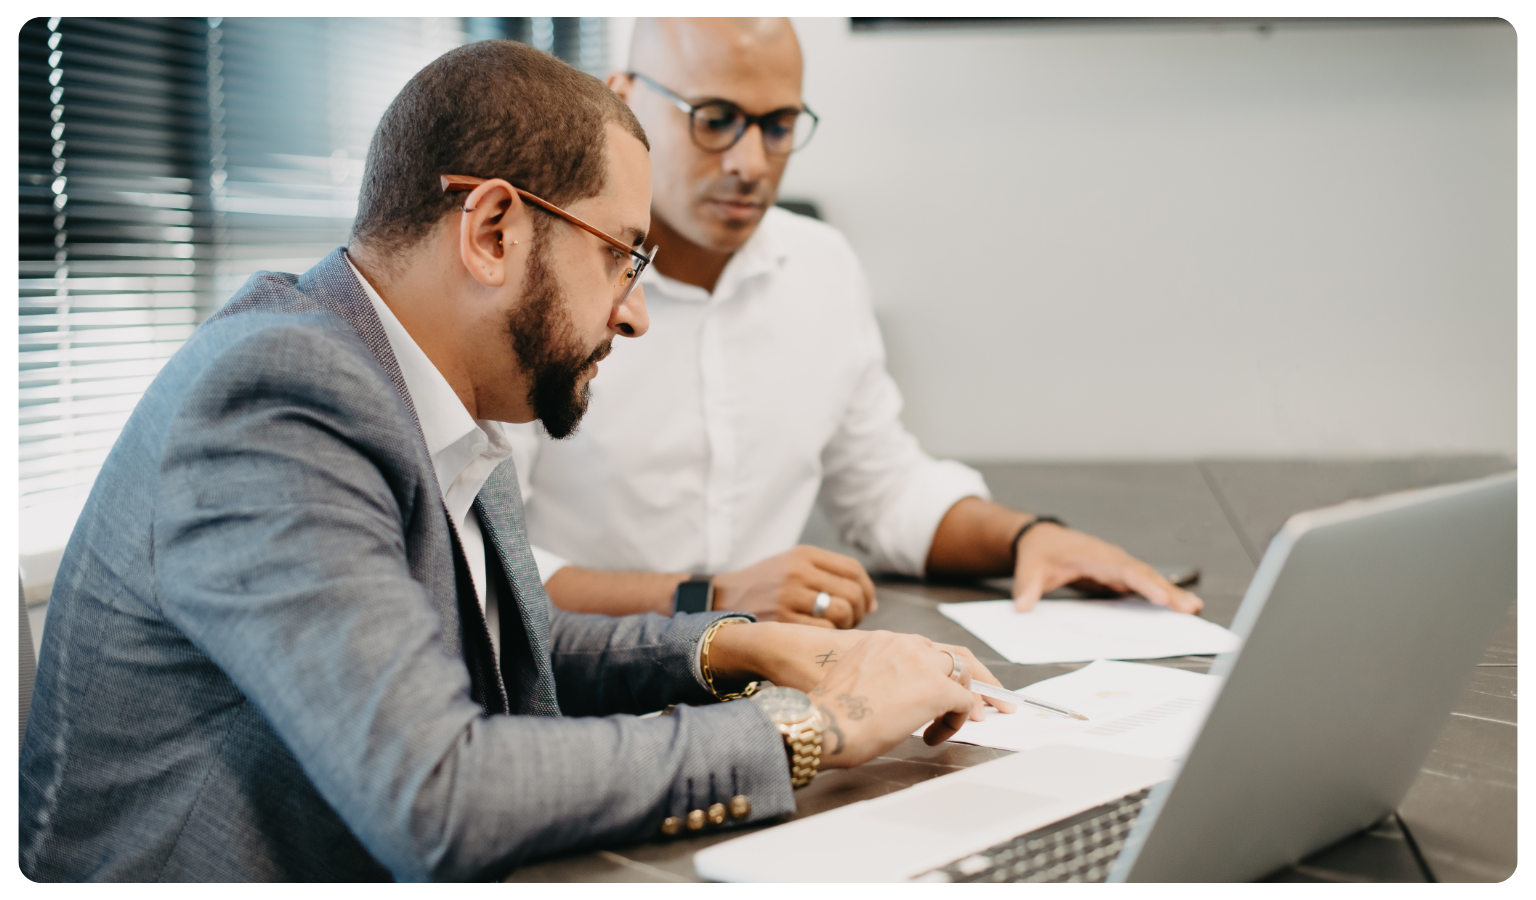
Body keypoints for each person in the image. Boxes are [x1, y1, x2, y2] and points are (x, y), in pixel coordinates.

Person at [17, 41, 1005, 882]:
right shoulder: (280, 398)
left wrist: (737, 648)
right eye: (622, 253)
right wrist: (814, 730)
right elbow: (434, 796)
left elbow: (502, 647)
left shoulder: (422, 390)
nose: (635, 311)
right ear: (491, 230)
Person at [508, 17, 1205, 629]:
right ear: (623, 98)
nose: (751, 163)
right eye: (714, 118)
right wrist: (708, 598)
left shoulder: (820, 266)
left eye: (778, 126)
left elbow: (883, 489)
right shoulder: (546, 283)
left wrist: (1029, 538)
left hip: (769, 673)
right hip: (575, 682)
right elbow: (486, 565)